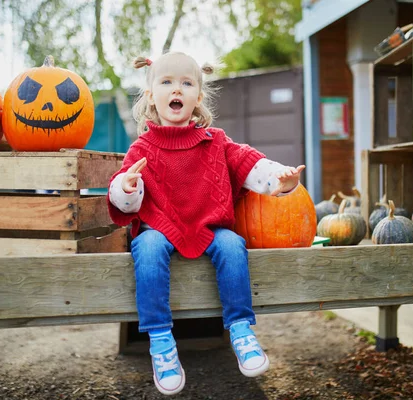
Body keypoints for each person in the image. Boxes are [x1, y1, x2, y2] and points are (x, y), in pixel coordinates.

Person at [107, 51, 305, 396]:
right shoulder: (142, 148)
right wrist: (126, 188)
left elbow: (249, 163)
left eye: (186, 83)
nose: (176, 89)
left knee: (231, 243)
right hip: (160, 228)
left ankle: (241, 329)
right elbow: (123, 191)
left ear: (198, 97)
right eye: (166, 82)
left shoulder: (215, 142)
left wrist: (278, 179)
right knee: (148, 247)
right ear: (151, 95)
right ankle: (160, 340)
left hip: (209, 227)